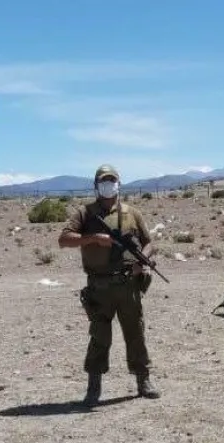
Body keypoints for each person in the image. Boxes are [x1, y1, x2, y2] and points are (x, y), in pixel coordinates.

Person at [58, 164, 160, 405]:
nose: (108, 185)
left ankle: (143, 380)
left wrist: (141, 262)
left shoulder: (132, 213)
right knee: (99, 336)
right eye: (104, 181)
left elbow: (149, 243)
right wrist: (92, 238)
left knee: (136, 333)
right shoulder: (85, 213)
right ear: (96, 186)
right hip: (99, 287)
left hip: (128, 285)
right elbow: (64, 240)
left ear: (118, 184)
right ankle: (94, 387)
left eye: (112, 181)